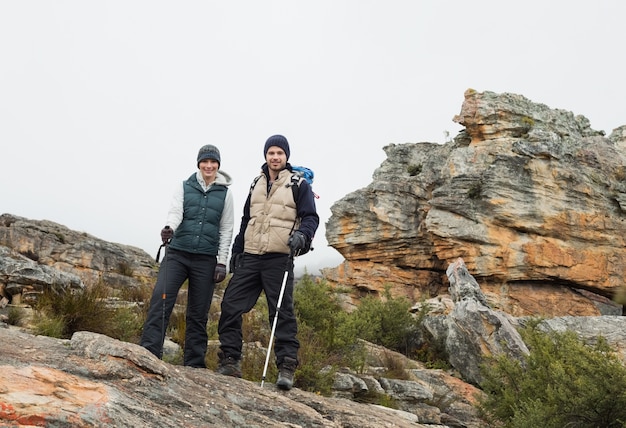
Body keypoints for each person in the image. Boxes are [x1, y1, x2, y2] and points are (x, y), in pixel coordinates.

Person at [216, 134, 319, 390]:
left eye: (279, 153)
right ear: (266, 155)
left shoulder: (298, 184)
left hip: (279, 257)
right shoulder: (256, 183)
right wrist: (237, 251)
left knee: (281, 313)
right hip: (251, 256)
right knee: (230, 305)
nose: (275, 157)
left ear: (286, 157)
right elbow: (245, 219)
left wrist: (303, 236)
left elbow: (310, 218)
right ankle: (230, 360)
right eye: (271, 153)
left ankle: (286, 366)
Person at [140, 144, 234, 368]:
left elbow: (226, 229)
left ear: (218, 165)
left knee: (198, 313)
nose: (209, 166)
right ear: (199, 163)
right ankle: (149, 353)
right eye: (205, 161)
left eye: (213, 162)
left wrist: (222, 262)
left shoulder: (226, 193)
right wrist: (169, 228)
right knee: (160, 301)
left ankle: (194, 364)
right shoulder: (184, 187)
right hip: (178, 254)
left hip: (206, 260)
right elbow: (175, 213)